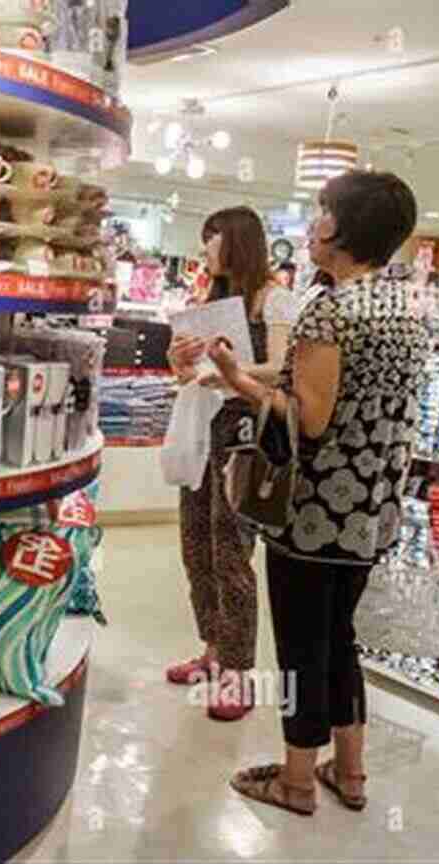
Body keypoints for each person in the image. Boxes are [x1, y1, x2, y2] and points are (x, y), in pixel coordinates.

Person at [206, 171, 428, 814]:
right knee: (340, 639)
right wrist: (242, 367)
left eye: (320, 212)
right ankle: (349, 773)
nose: (311, 224)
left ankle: (297, 779)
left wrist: (235, 382)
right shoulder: (402, 306)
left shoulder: (330, 307)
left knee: (302, 646)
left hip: (313, 512)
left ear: (340, 229)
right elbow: (320, 371)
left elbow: (308, 417)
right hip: (370, 513)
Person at [165, 207, 297, 720]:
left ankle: (239, 672)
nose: (204, 252)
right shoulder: (214, 300)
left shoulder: (275, 298)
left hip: (245, 435)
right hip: (204, 426)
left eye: (210, 242)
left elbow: (282, 368)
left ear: (236, 242)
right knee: (195, 540)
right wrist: (184, 361)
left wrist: (229, 368)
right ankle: (214, 651)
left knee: (231, 549)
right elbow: (189, 376)